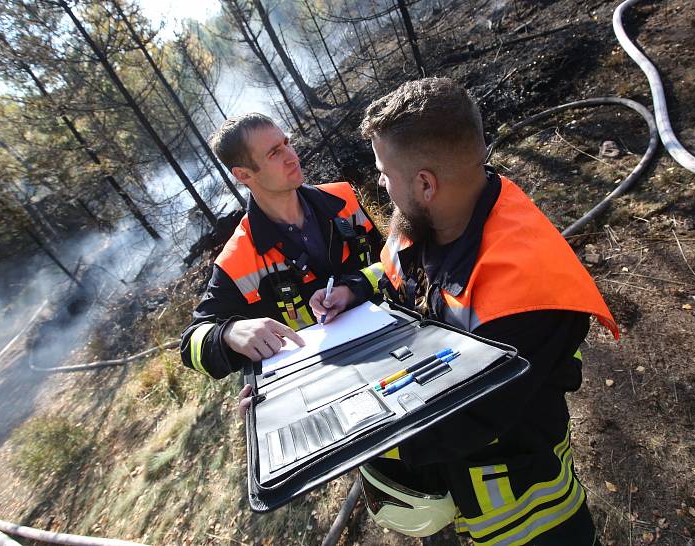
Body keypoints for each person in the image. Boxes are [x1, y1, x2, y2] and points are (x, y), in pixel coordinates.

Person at [310, 78, 619, 546]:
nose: (379, 183)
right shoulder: (427, 217)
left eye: (383, 173)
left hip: (529, 512)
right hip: (455, 494)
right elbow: (399, 277)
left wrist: (338, 429)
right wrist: (355, 289)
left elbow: (458, 423)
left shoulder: (524, 293)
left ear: (425, 183)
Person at [179, 113, 383, 385]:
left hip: (388, 342)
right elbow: (190, 345)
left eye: (287, 142)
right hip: (320, 384)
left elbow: (397, 263)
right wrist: (229, 332)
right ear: (243, 174)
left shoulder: (343, 200)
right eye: (275, 152)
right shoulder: (238, 258)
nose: (292, 156)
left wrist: (353, 288)